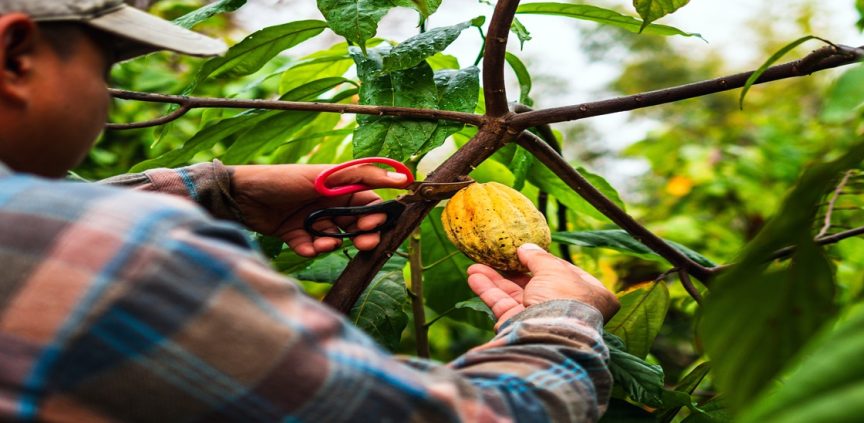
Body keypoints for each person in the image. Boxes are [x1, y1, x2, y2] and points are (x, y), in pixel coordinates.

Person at [0, 0, 621, 421]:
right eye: (103, 68)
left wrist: (218, 189)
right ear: (16, 55)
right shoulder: (122, 250)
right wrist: (563, 321)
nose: (107, 97)